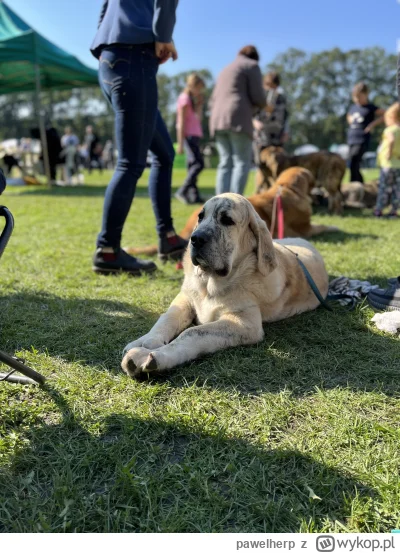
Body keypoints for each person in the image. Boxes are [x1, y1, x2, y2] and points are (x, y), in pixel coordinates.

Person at [90, 0, 186, 275]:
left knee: (164, 154)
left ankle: (167, 238)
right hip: (134, 59)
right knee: (130, 163)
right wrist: (163, 36)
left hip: (112, 58)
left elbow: (106, 9)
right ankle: (107, 250)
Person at [209, 45, 265, 196]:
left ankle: (219, 201)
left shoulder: (225, 69)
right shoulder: (252, 66)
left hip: (217, 119)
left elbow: (213, 99)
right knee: (241, 162)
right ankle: (235, 202)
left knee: (225, 162)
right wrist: (265, 105)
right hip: (238, 118)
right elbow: (258, 96)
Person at [175, 73, 206, 204]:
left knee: (193, 165)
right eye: (199, 88)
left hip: (195, 135)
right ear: (193, 85)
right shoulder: (184, 98)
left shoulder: (192, 100)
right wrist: (180, 143)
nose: (200, 91)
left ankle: (194, 195)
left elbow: (198, 119)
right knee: (199, 164)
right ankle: (182, 190)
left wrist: (199, 105)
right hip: (189, 136)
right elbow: (181, 122)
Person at [347, 82, 384, 183]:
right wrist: (350, 121)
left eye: (359, 97)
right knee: (352, 163)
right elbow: (349, 115)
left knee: (355, 159)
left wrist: (372, 125)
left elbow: (387, 114)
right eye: (355, 97)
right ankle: (359, 183)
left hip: (362, 138)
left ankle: (354, 183)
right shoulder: (353, 107)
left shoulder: (370, 107)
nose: (357, 99)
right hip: (352, 138)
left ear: (366, 95)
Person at [252, 72, 289, 165]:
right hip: (262, 137)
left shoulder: (281, 98)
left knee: (278, 163)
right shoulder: (260, 97)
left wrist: (286, 131)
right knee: (261, 163)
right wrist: (254, 122)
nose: (269, 88)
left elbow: (286, 116)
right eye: (267, 85)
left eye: (272, 85)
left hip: (277, 137)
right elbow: (252, 114)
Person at [373, 102, 400, 218]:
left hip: (388, 165)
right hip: (398, 165)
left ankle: (379, 210)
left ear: (392, 117)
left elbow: (391, 140)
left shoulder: (390, 130)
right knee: (396, 190)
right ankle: (393, 211)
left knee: (383, 189)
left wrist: (388, 152)